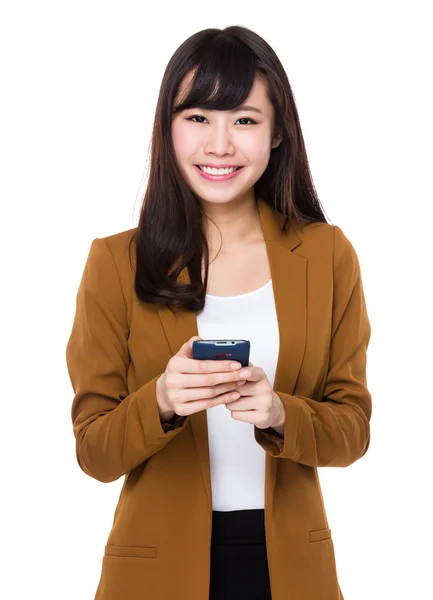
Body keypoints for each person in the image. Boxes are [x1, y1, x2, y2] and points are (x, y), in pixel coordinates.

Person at [66, 25, 371, 600]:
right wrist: (160, 400)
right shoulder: (115, 262)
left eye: (245, 120)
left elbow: (352, 431)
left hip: (291, 571)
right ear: (168, 128)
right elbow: (94, 453)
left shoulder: (328, 254)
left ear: (278, 133)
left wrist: (280, 413)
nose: (221, 145)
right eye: (199, 118)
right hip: (154, 572)